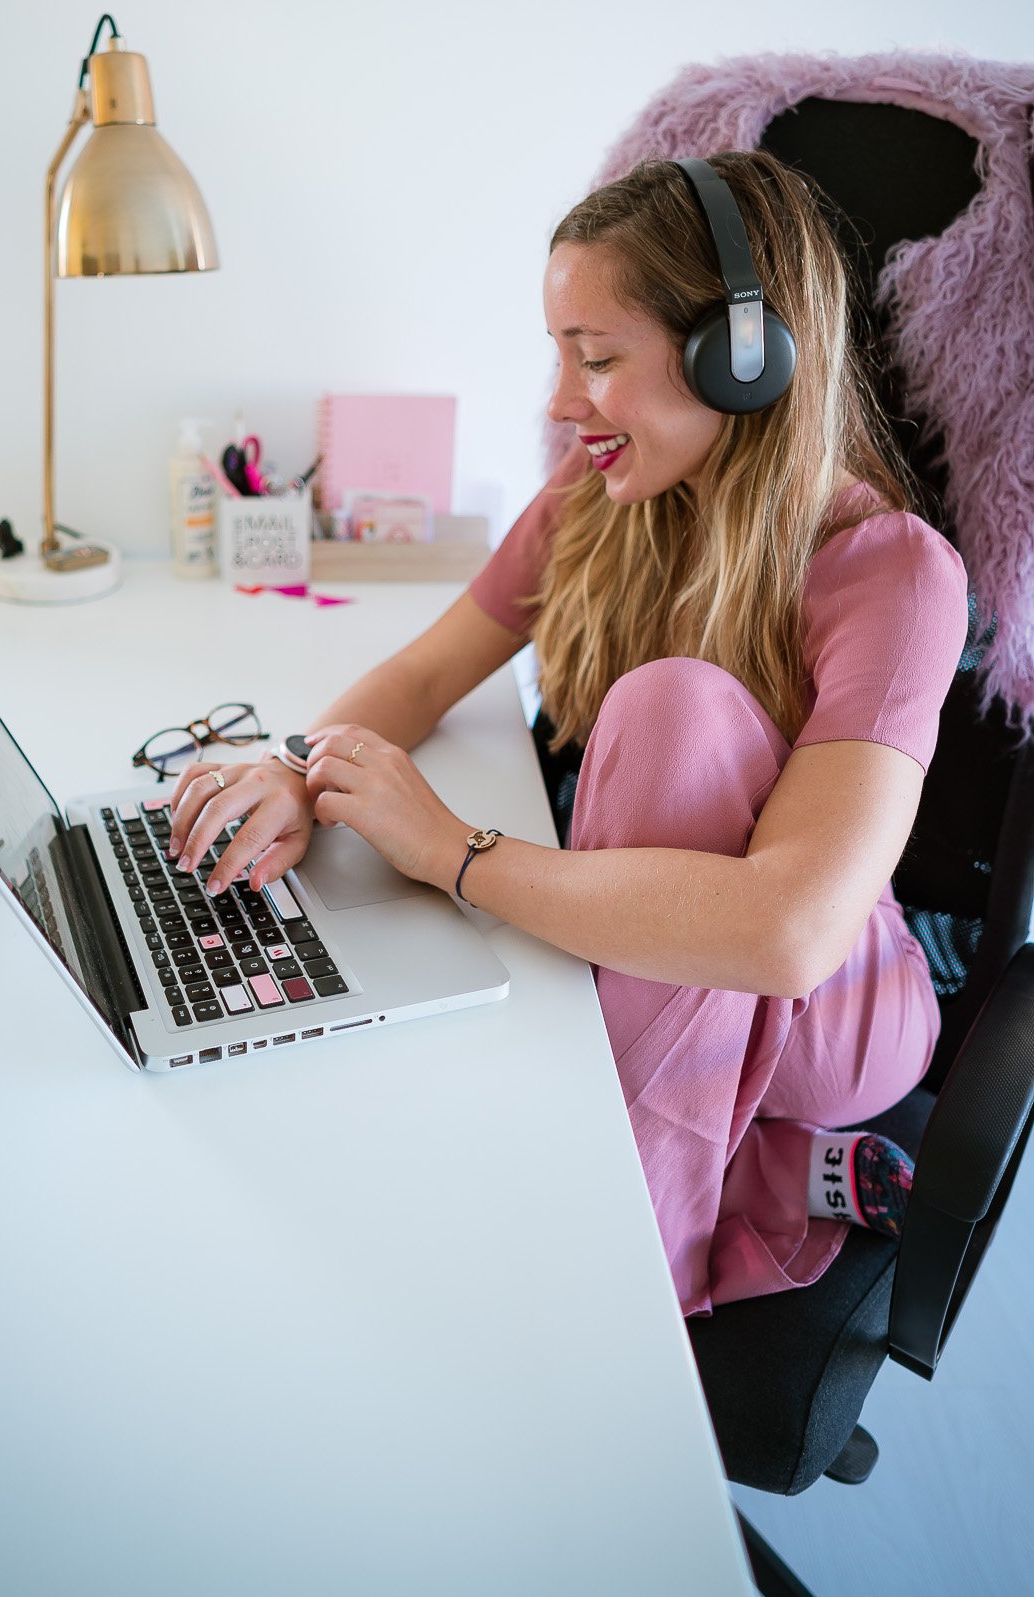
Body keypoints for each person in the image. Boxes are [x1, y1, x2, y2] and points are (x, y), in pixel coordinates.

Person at [167, 151, 969, 1318]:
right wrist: (299, 769)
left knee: (667, 707)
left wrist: (452, 850)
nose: (558, 401)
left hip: (829, 1009)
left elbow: (790, 933)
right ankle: (736, 1159)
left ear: (741, 357)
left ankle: (643, 1286)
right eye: (560, 356)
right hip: (669, 963)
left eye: (595, 359)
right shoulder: (597, 508)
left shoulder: (893, 571)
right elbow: (429, 669)